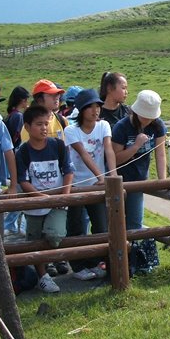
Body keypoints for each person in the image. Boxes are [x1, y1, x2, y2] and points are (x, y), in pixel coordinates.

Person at [15, 105, 74, 293]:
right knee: (34, 239)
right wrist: (41, 197)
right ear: (27, 126)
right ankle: (43, 276)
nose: (44, 128)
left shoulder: (58, 145)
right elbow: (23, 181)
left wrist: (63, 196)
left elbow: (68, 171)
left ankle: (51, 261)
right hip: (34, 205)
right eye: (39, 124)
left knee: (55, 234)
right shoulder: (23, 152)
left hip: (57, 202)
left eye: (46, 124)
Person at [111, 90, 166, 274]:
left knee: (134, 222)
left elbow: (160, 153)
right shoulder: (121, 127)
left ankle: (135, 263)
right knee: (117, 222)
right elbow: (116, 158)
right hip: (119, 182)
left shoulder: (158, 126)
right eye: (145, 116)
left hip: (139, 180)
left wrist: (162, 180)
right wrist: (135, 146)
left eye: (151, 117)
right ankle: (124, 263)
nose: (148, 120)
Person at [64, 89, 116, 280]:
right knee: (76, 226)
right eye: (91, 107)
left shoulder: (103, 126)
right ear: (82, 109)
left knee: (101, 225)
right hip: (78, 183)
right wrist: (101, 177)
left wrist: (113, 177)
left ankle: (96, 262)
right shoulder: (71, 130)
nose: (95, 111)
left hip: (98, 183)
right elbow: (84, 154)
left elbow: (108, 150)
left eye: (98, 106)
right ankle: (77, 267)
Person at [3, 86, 30, 237]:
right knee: (20, 190)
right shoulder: (18, 117)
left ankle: (13, 224)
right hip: (16, 156)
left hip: (10, 156)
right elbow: (18, 139)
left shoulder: (10, 115)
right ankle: (11, 224)